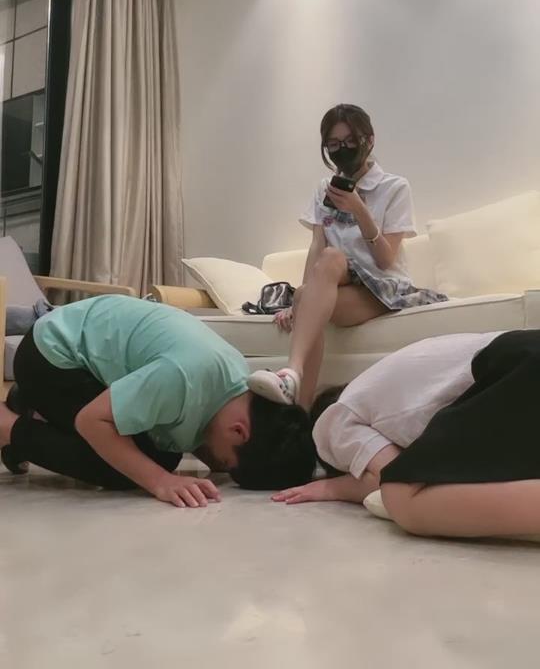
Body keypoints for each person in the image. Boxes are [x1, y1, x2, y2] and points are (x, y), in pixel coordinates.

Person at [0, 295, 316, 506]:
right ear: (238, 431)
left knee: (162, 454)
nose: (218, 465)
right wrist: (159, 482)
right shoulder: (182, 378)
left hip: (88, 355)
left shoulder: (236, 383)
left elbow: (191, 421)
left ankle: (29, 405)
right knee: (121, 469)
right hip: (49, 355)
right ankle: (7, 425)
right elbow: (91, 420)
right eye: (226, 462)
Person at [249, 103, 446, 407]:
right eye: (333, 144)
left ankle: (293, 378)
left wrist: (359, 208)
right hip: (338, 280)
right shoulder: (324, 189)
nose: (342, 149)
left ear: (369, 140)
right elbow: (316, 246)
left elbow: (385, 260)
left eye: (350, 141)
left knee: (329, 261)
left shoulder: (394, 187)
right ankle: (297, 399)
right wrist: (300, 296)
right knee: (312, 281)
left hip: (383, 287)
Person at [273, 329, 540, 541]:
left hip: (514, 368)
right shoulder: (392, 384)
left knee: (400, 496)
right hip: (520, 358)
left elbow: (390, 473)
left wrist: (333, 487)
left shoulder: (332, 421)